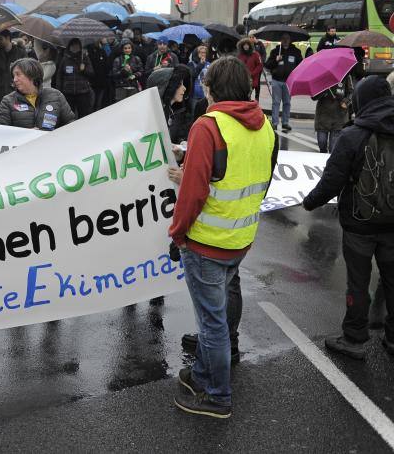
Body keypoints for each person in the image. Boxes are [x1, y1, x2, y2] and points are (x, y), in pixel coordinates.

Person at [169, 56, 278, 419]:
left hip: (206, 243)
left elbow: (193, 193)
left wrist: (178, 233)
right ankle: (203, 372)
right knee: (222, 309)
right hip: (241, 238)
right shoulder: (265, 125)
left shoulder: (208, 126)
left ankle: (217, 396)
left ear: (212, 87)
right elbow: (258, 178)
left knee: (210, 323)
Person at [302, 76, 394, 360]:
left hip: (359, 224)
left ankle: (354, 339)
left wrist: (310, 202)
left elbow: (332, 180)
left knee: (358, 281)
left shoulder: (353, 134)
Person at [0, 57, 75, 130]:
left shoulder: (56, 96)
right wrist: (26, 135)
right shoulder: (8, 101)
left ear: (32, 74)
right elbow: (0, 132)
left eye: (18, 74)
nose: (15, 79)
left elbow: (71, 124)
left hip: (51, 145)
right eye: (14, 76)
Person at [264, 33, 302, 132]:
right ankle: (275, 123)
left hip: (289, 82)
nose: (285, 40)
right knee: (276, 102)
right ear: (280, 40)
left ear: (290, 40)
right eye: (283, 38)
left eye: (287, 38)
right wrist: (276, 60)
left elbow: (300, 65)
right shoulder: (275, 51)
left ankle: (285, 123)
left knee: (287, 103)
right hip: (277, 80)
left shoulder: (296, 52)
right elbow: (267, 65)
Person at [0, 30, 27, 122]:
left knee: (16, 114)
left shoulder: (20, 52)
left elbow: (26, 72)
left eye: (1, 39)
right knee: (2, 114)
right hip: (0, 89)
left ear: (8, 38)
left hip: (16, 88)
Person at [56, 38, 95, 117]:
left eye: (77, 46)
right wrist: (59, 90)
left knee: (83, 116)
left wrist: (84, 69)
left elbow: (91, 73)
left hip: (83, 93)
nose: (75, 47)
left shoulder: (84, 58)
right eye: (73, 45)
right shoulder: (65, 59)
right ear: (69, 47)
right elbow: (59, 76)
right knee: (69, 116)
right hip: (68, 93)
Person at [312, 80, 349, 153]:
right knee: (322, 143)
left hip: (338, 116)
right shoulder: (320, 77)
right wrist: (323, 91)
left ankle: (330, 163)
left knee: (333, 148)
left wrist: (346, 101)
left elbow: (351, 92)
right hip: (322, 116)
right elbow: (313, 97)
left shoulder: (345, 76)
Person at [88, 38, 111, 111]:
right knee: (91, 103)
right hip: (91, 82)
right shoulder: (88, 51)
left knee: (98, 104)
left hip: (101, 82)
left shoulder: (102, 51)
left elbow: (107, 65)